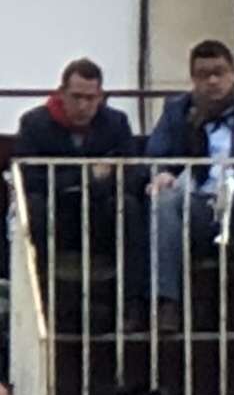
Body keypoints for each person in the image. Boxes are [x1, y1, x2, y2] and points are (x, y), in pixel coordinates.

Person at [145, 40, 234, 332]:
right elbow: (153, 158)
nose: (212, 81)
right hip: (197, 205)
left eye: (219, 72)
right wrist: (162, 174)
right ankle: (166, 304)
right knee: (164, 201)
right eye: (203, 74)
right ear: (193, 79)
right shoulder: (177, 111)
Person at [13, 58, 145, 291]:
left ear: (101, 97)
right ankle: (37, 295)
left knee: (127, 207)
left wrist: (82, 183)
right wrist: (88, 176)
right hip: (55, 215)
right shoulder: (34, 123)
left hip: (98, 214)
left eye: (90, 98)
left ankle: (132, 301)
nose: (83, 105)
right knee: (33, 208)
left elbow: (131, 176)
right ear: (61, 93)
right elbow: (30, 181)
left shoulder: (116, 123)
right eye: (76, 97)